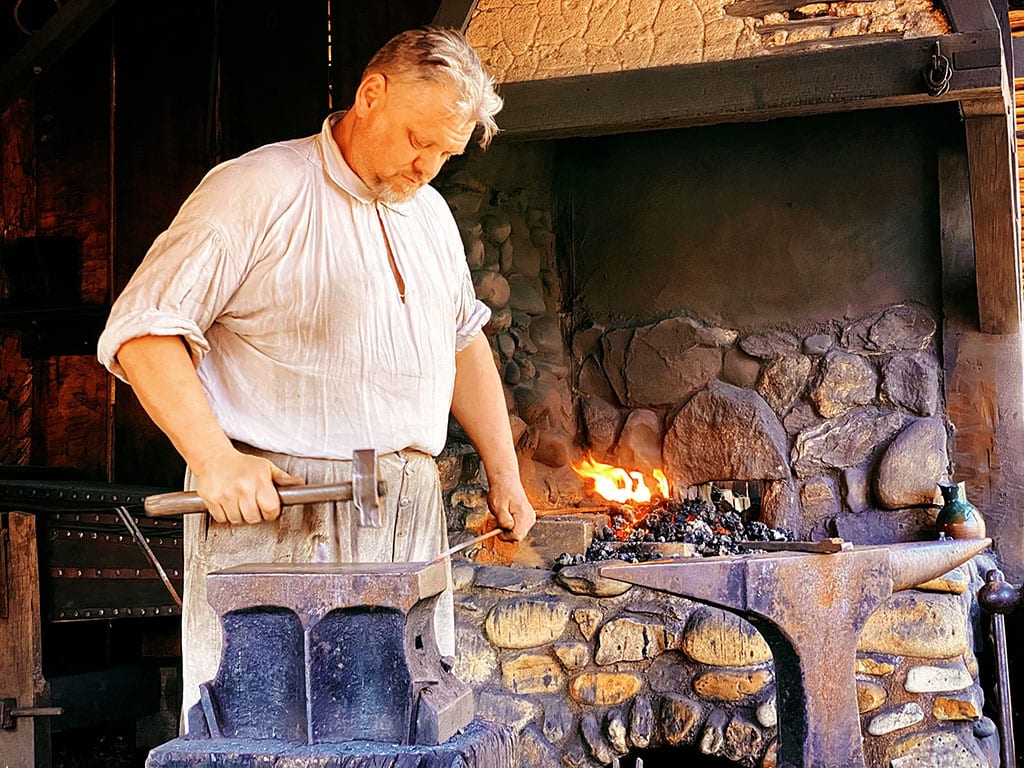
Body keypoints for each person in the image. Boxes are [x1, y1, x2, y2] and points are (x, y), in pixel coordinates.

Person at [97, 26, 536, 722]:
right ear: (371, 94)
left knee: (404, 727)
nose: (427, 166)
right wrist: (215, 461)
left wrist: (505, 475)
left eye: (445, 154)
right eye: (418, 140)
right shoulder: (257, 188)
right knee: (266, 733)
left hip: (406, 510)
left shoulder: (429, 215)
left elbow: (461, 343)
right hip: (283, 510)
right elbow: (144, 333)